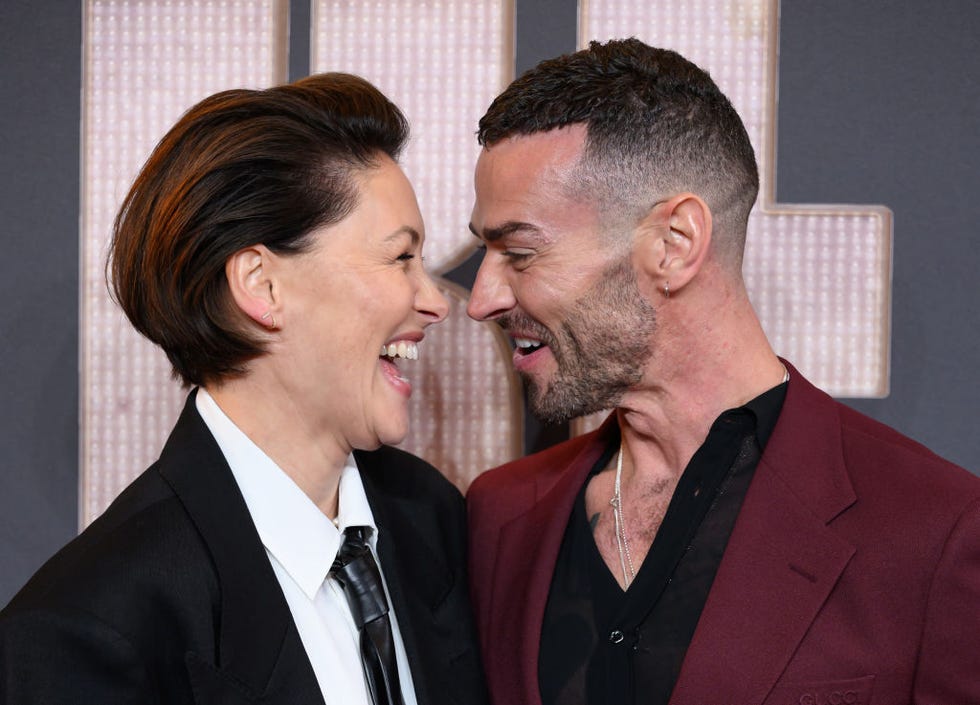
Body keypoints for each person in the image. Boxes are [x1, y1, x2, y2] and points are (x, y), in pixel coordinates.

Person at [465, 38, 980, 705]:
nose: (482, 299)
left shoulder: (932, 530)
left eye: (521, 253)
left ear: (675, 244)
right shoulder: (501, 515)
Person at [0, 72, 488, 705]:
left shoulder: (429, 518)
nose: (435, 302)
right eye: (400, 258)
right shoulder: (87, 628)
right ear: (262, 284)